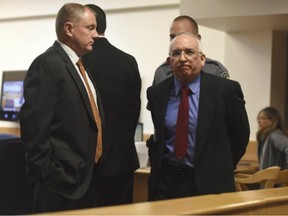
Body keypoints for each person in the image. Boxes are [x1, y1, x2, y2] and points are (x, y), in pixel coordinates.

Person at [146, 32, 250, 201]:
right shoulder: (157, 93)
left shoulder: (226, 91)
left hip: (211, 185)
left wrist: (220, 168)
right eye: (176, 53)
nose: (182, 58)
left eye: (189, 52)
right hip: (166, 186)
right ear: (169, 61)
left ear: (202, 59)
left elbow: (240, 137)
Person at [20, 3, 103, 213]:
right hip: (59, 186)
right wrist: (47, 177)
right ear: (69, 29)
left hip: (85, 181)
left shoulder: (80, 66)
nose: (95, 34)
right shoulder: (47, 64)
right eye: (90, 28)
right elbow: (34, 128)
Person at [82, 4, 141, 206]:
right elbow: (134, 111)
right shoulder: (128, 61)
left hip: (86, 166)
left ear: (91, 26)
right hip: (123, 161)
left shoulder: (78, 62)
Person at [153, 15, 229, 85]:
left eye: (182, 35)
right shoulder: (161, 72)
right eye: (172, 37)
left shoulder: (214, 71)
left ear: (197, 39)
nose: (176, 41)